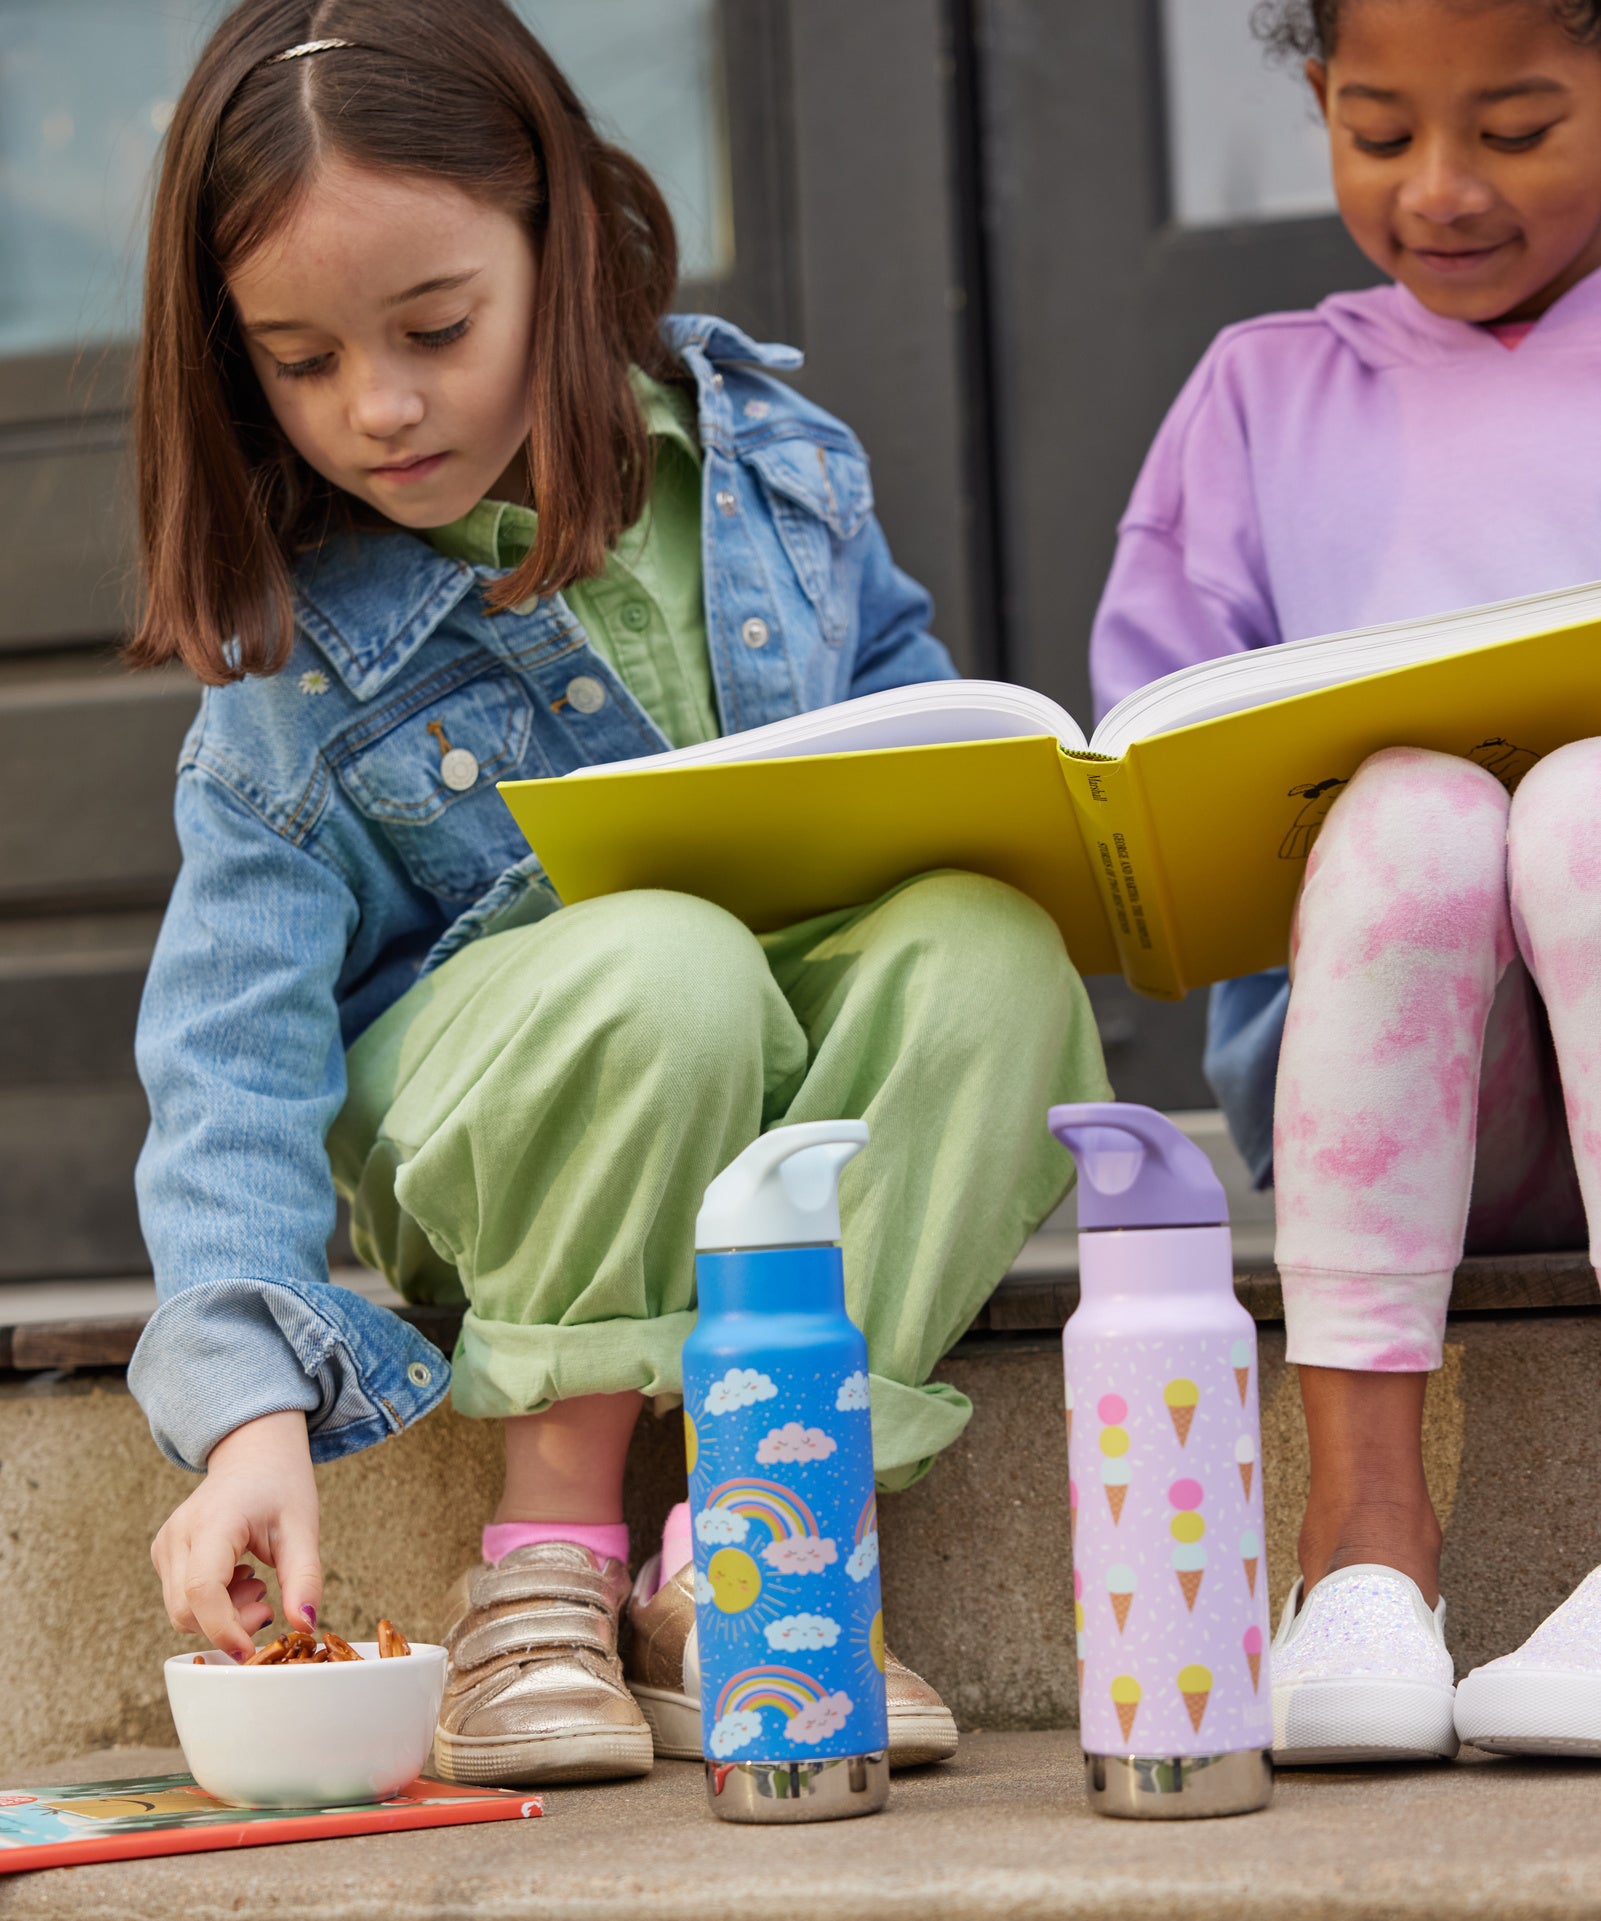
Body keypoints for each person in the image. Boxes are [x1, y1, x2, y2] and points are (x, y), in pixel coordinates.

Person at [127, 0, 1108, 1788]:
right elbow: (225, 1062)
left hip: (778, 1097)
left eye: (436, 328)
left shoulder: (775, 468)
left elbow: (916, 727)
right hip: (509, 1134)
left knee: (990, 949)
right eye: (299, 359)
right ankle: (549, 1553)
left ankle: (762, 1532)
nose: (379, 406)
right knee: (665, 961)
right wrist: (246, 1414)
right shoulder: (292, 662)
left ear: (559, 238)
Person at [1090, 0, 1601, 1763]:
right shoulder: (1259, 396)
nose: (1439, 188)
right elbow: (1159, 784)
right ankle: (1362, 1539)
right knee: (1409, 811)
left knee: (1586, 804)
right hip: (1392, 1100)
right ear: (1316, 97)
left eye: (1515, 130)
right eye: (1378, 133)